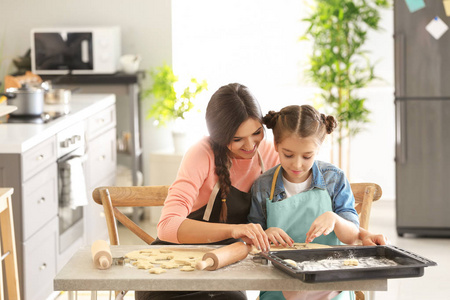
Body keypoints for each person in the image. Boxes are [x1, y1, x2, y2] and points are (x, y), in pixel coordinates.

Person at [137, 85, 388, 300]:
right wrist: (234, 230)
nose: (249, 146)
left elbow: (318, 198)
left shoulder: (273, 153)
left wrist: (362, 234)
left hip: (226, 264)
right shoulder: (202, 153)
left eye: (256, 133)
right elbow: (167, 226)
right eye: (237, 139)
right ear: (219, 136)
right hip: (176, 264)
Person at [249, 105, 379, 300]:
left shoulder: (334, 179)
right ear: (275, 145)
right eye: (288, 154)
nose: (297, 164)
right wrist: (264, 235)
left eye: (307, 156)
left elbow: (353, 237)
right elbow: (251, 244)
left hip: (330, 282)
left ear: (319, 148)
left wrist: (334, 219)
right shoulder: (263, 186)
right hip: (280, 283)